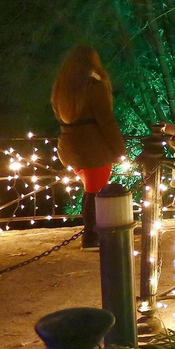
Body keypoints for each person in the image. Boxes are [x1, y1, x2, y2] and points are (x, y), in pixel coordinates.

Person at [51, 45, 127, 249]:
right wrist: (120, 148)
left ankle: (94, 232)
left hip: (69, 146)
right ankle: (91, 235)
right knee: (95, 192)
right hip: (94, 147)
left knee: (91, 190)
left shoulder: (61, 88)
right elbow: (106, 120)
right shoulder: (93, 86)